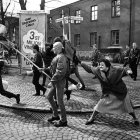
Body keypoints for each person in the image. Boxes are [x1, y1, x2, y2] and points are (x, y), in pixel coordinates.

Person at [80, 58, 139, 126]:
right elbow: (89, 69)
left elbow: (124, 69)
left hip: (120, 92)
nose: (100, 66)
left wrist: (129, 71)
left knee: (128, 107)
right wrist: (81, 63)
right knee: (100, 105)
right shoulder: (98, 70)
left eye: (102, 65)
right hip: (108, 92)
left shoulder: (115, 70)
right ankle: (92, 118)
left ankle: (135, 118)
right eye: (99, 64)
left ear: (107, 66)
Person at [44, 42, 68, 127]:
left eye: (54, 48)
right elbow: (52, 68)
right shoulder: (57, 57)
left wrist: (52, 81)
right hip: (56, 81)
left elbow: (60, 72)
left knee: (60, 101)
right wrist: (43, 69)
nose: (52, 49)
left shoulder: (61, 57)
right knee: (49, 96)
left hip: (59, 82)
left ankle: (64, 120)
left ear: (58, 48)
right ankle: (55, 115)